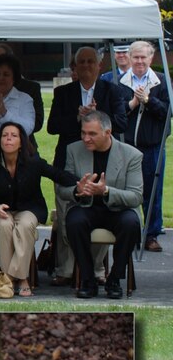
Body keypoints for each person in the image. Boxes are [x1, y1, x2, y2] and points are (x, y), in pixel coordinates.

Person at [46, 46, 126, 284]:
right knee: (65, 215)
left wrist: (97, 118)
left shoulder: (112, 91)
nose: (87, 66)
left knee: (100, 213)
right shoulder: (63, 93)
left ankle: (96, 270)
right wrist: (77, 118)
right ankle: (66, 269)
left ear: (99, 65)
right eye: (82, 62)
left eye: (91, 62)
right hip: (68, 163)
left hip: (102, 162)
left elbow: (121, 122)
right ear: (75, 67)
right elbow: (52, 127)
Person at [0, 122, 77, 297]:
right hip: (0, 211)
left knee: (25, 225)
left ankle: (14, 278)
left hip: (29, 208)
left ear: (22, 142)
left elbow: (57, 174)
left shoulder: (33, 162)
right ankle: (15, 279)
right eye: (5, 135)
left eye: (13, 136)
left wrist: (80, 183)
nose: (8, 139)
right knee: (5, 225)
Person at [56, 110, 143, 299]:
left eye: (92, 134)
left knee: (131, 223)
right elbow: (62, 190)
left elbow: (136, 197)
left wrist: (106, 191)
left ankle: (114, 279)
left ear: (108, 133)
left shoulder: (132, 155)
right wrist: (77, 191)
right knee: (74, 221)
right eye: (83, 133)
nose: (86, 138)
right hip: (87, 207)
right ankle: (88, 279)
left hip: (118, 209)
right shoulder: (73, 150)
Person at [117, 39, 169, 252]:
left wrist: (149, 100)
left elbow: (168, 112)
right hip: (126, 146)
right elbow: (117, 112)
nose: (139, 61)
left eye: (143, 57)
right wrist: (133, 103)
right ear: (129, 58)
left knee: (152, 191)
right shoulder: (121, 82)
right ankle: (126, 232)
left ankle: (151, 235)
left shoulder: (161, 81)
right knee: (124, 190)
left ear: (151, 58)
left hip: (152, 145)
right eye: (135, 57)